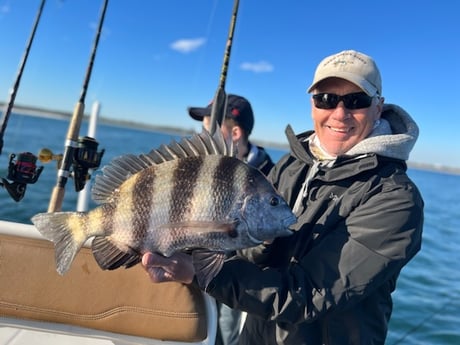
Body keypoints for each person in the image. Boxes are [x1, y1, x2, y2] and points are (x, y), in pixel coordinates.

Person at [142, 50, 424, 345]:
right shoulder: (293, 163)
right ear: (313, 105)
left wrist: (200, 273)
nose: (339, 113)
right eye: (325, 99)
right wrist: (252, 238)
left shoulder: (395, 199)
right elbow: (250, 255)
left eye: (357, 100)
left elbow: (310, 293)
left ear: (378, 108)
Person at [188, 93, 274, 345]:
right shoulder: (197, 169)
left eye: (208, 129)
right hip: (195, 270)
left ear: (235, 134)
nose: (203, 136)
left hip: (236, 282)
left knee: (227, 337)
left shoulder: (270, 179)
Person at [188, 93, 274, 175]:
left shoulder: (273, 178)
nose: (201, 136)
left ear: (235, 133)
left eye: (208, 131)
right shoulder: (198, 167)